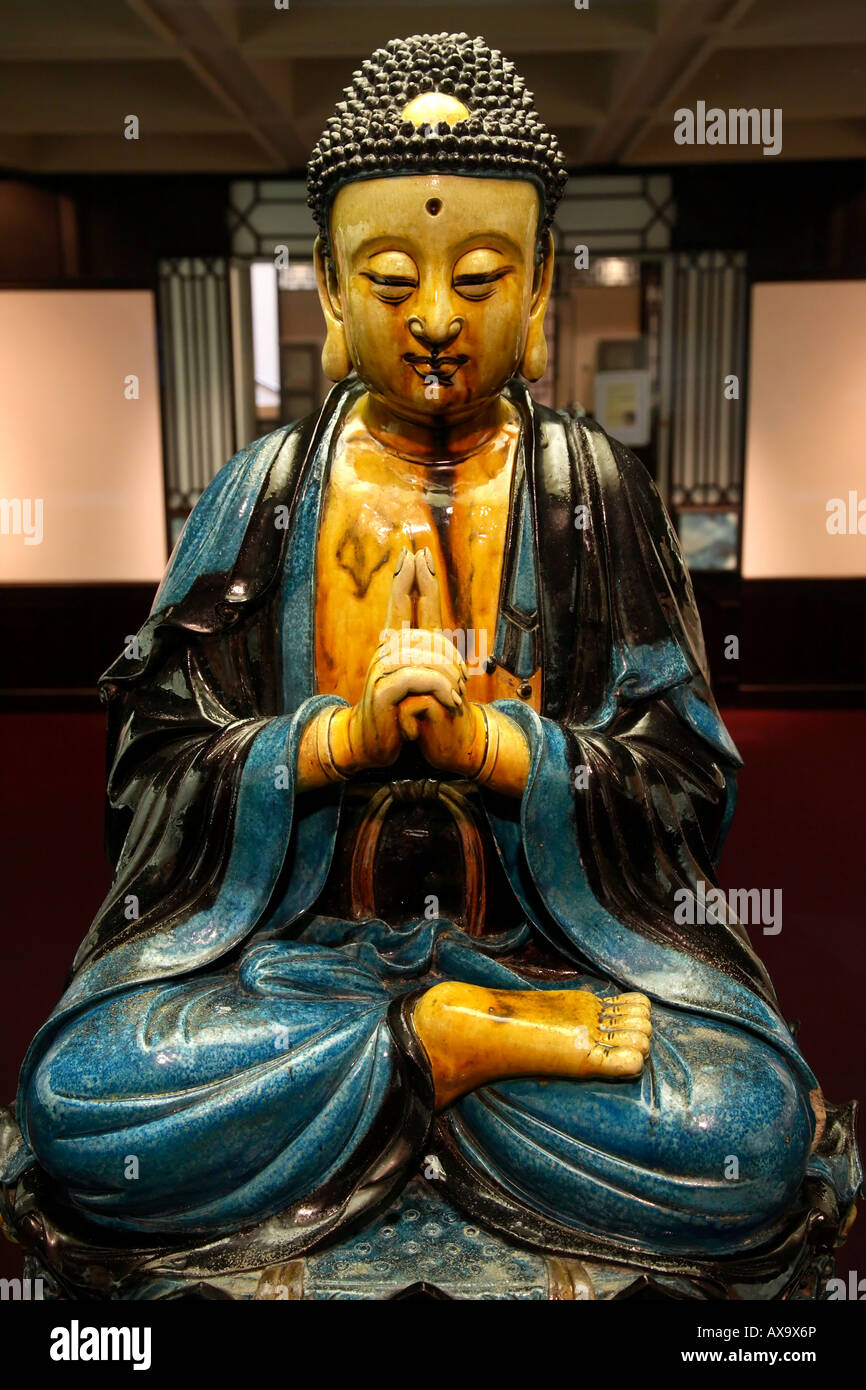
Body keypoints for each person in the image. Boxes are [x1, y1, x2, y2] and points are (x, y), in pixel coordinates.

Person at [6, 32, 858, 1290]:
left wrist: (499, 752)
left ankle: (449, 1049)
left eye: (480, 274)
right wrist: (328, 743)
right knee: (82, 1097)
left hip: (551, 957)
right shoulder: (263, 494)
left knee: (743, 1129)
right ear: (328, 286)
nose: (437, 319)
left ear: (546, 277)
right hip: (296, 969)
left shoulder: (592, 491)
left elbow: (684, 779)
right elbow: (149, 771)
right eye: (392, 276)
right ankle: (438, 1047)